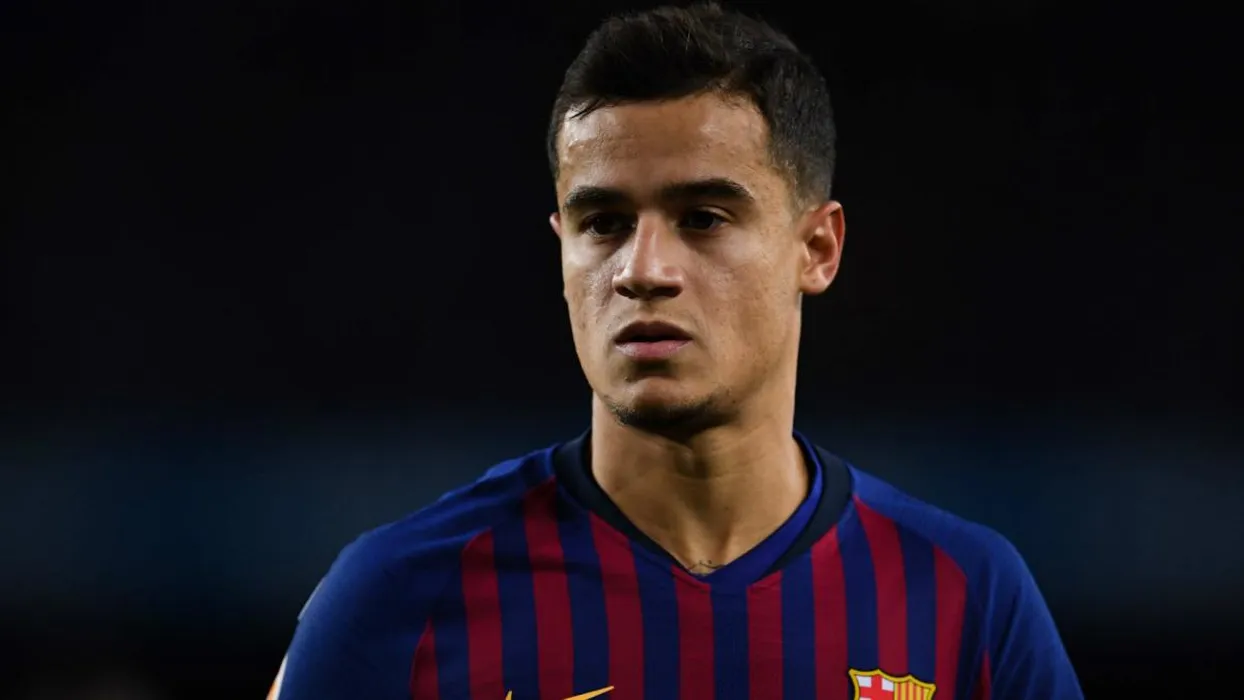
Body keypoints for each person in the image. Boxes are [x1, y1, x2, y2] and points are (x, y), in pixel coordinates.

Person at [268, 3, 1082, 699]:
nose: (643, 270)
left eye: (703, 218)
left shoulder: (968, 600)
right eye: (603, 224)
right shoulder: (397, 600)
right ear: (560, 249)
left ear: (817, 248)